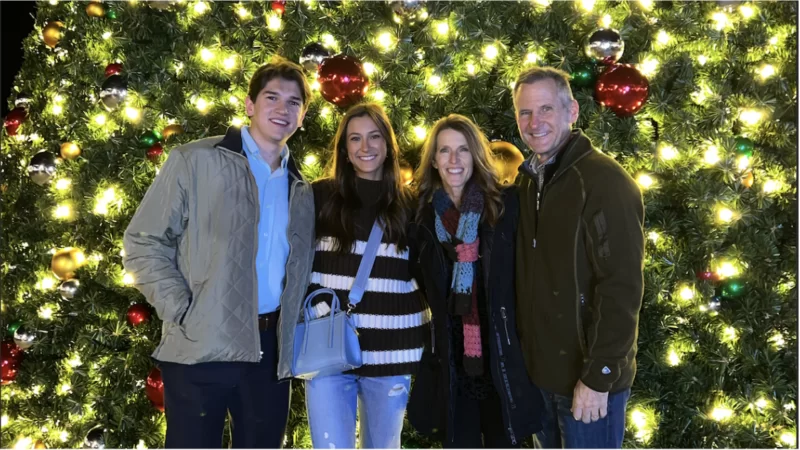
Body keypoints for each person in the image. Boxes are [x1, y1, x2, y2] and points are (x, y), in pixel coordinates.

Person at [122, 57, 315, 448]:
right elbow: (143, 241)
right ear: (249, 105)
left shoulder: (302, 189)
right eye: (272, 97)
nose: (282, 109)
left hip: (269, 354)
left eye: (294, 102)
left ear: (302, 116)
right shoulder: (194, 161)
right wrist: (183, 310)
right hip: (199, 349)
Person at [512, 66, 645, 448]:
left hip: (588, 385)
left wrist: (598, 376)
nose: (535, 123)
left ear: (571, 112)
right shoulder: (527, 181)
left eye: (546, 110)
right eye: (525, 112)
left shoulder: (605, 183)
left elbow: (621, 288)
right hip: (541, 380)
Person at [406, 114, 544, 448]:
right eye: (444, 151)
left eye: (463, 150)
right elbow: (421, 283)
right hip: (452, 365)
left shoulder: (504, 206)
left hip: (501, 361)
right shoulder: (422, 218)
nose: (454, 160)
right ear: (434, 161)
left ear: (476, 156)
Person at [303, 103, 429, 449]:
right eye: (355, 139)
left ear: (388, 145)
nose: (365, 147)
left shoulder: (413, 205)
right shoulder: (319, 197)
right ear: (344, 150)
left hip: (391, 354)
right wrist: (314, 311)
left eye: (374, 137)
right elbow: (294, 264)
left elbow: (428, 276)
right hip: (328, 352)